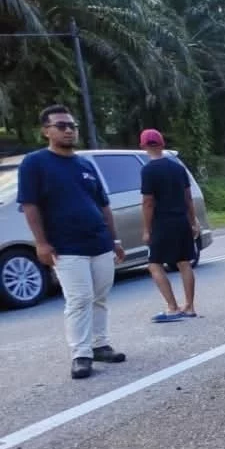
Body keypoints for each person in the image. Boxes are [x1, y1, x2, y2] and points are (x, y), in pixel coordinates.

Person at [17, 104, 127, 380]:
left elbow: (103, 205)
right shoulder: (35, 163)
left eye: (72, 126)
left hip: (99, 242)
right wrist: (41, 243)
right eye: (61, 126)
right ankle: (81, 354)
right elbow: (30, 206)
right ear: (46, 131)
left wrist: (114, 239)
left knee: (100, 297)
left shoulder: (85, 165)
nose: (69, 130)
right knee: (79, 299)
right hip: (66, 246)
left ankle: (100, 344)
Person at [140, 129, 201, 322]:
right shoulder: (177, 168)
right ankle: (189, 307)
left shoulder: (148, 170)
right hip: (181, 220)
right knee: (184, 262)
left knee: (154, 264)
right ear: (162, 144)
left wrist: (147, 229)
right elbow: (188, 197)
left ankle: (172, 307)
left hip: (162, 223)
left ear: (143, 146)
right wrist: (193, 221)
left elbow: (148, 202)